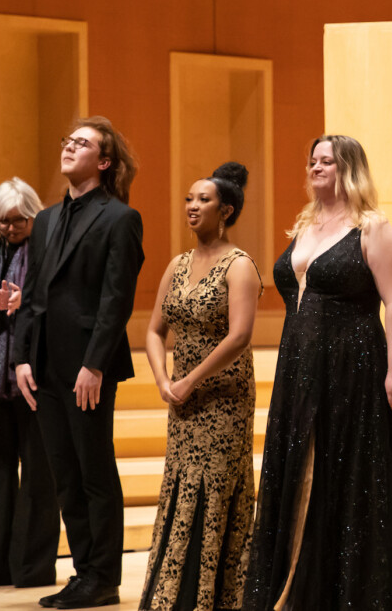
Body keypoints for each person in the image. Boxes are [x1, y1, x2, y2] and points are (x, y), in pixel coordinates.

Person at [244, 135, 392, 611]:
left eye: (328, 161)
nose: (316, 167)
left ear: (349, 170)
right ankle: (295, 588)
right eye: (313, 160)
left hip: (353, 365)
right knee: (296, 468)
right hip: (298, 364)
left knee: (342, 474)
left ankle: (346, 594)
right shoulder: (305, 225)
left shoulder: (371, 227)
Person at [13, 116, 146, 610]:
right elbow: (32, 296)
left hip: (88, 368)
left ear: (104, 161)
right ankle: (83, 572)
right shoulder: (45, 219)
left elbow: (117, 300)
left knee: (93, 471)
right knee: (63, 472)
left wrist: (94, 364)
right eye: (67, 140)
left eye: (82, 143)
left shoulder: (119, 218)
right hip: (45, 365)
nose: (69, 147)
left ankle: (102, 577)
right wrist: (22, 358)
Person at [140, 162, 263, 611]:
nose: (192, 206)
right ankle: (173, 596)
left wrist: (191, 379)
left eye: (203, 200)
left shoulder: (240, 265)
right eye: (189, 199)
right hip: (183, 401)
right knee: (181, 485)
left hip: (224, 400)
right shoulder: (177, 264)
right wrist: (163, 379)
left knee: (214, 488)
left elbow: (240, 336)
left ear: (226, 210)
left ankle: (215, 599)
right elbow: (153, 330)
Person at [0, 177, 60, 589]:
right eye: (2, 221)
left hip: (33, 379)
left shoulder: (47, 258)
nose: (10, 228)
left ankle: (31, 571)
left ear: (33, 216)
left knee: (38, 477)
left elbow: (55, 307)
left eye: (18, 220)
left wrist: (27, 303)